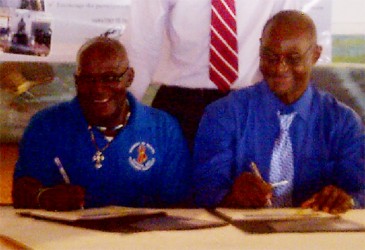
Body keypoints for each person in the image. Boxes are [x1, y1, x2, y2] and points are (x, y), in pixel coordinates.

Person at [193, 10, 365, 214]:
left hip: (317, 237)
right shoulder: (223, 115)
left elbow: (360, 190)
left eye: (293, 58)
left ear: (315, 55)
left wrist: (347, 200)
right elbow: (202, 193)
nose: (279, 68)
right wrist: (232, 196)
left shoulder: (342, 122)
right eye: (270, 56)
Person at [12, 36, 191, 211]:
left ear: (129, 78)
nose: (98, 89)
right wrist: (44, 197)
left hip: (144, 238)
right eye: (88, 79)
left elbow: (179, 205)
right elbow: (21, 193)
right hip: (66, 237)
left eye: (110, 78)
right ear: (76, 81)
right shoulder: (45, 126)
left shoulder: (164, 129)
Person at [121, 0, 300, 150]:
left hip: (249, 104)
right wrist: (121, 121)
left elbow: (292, 36)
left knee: (248, 187)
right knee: (179, 189)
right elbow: (139, 49)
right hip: (180, 105)